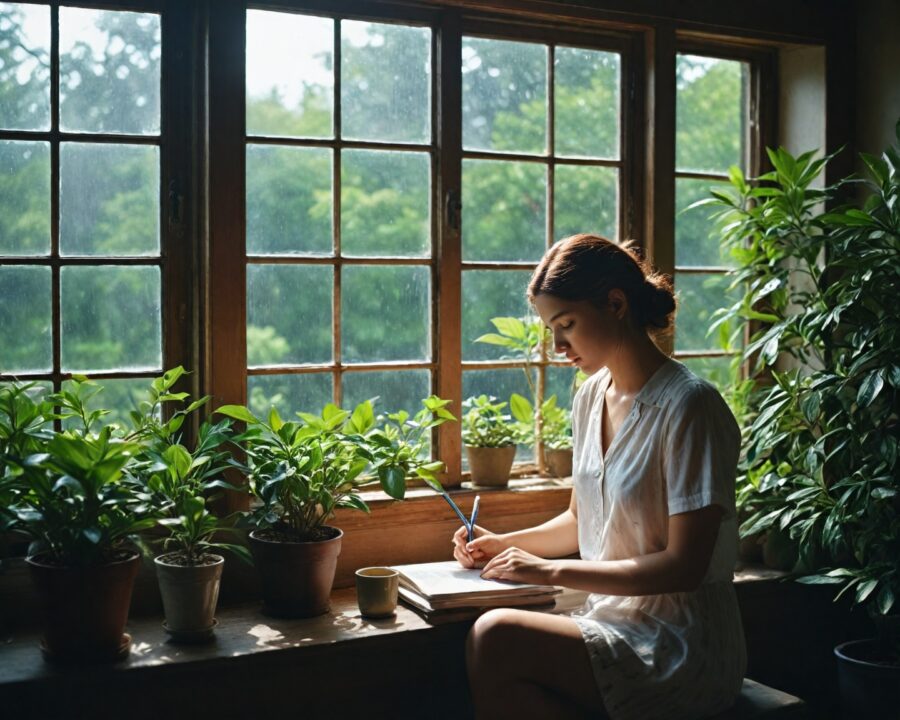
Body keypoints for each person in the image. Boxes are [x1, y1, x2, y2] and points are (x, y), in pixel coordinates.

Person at [452, 234, 747, 720]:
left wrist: (547, 570)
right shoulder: (590, 397)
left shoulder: (690, 406)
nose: (557, 346)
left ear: (615, 304)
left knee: (496, 636)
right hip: (610, 621)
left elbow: (685, 565)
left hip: (682, 645)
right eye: (550, 328)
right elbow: (578, 519)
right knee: (486, 644)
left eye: (566, 324)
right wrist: (500, 543)